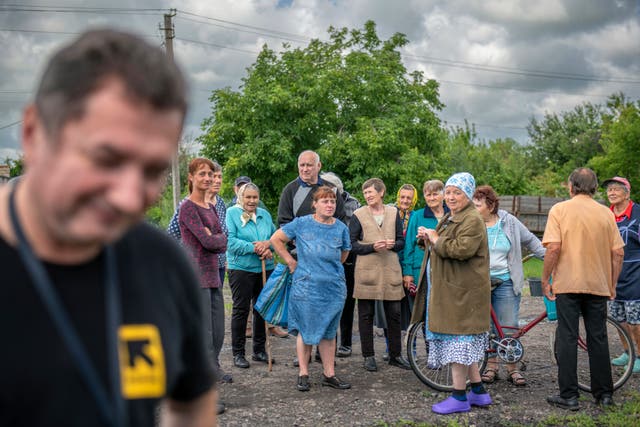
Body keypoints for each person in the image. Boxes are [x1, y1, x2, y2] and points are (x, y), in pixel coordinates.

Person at [0, 30, 217, 426]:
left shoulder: (163, 262)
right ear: (33, 133)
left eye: (152, 170)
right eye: (106, 159)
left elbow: (192, 401)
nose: (130, 198)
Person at [410, 172, 493, 415]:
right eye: (448, 192)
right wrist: (427, 238)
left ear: (468, 195)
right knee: (464, 346)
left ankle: (459, 396)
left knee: (459, 345)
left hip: (463, 293)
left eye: (457, 192)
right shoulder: (451, 216)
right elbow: (440, 242)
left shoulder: (472, 220)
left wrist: (435, 238)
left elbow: (462, 249)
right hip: (453, 291)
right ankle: (478, 391)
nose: (451, 197)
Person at [543, 168, 624, 410]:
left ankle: (569, 395)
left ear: (571, 186)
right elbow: (618, 252)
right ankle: (604, 394)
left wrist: (546, 278)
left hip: (567, 284)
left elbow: (553, 248)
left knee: (567, 337)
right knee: (598, 337)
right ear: (595, 187)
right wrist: (612, 283)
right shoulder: (605, 214)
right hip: (598, 284)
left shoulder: (559, 210)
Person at [271, 186, 352, 391]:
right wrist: (290, 261)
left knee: (329, 331)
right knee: (306, 331)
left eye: (333, 201)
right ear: (314, 204)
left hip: (333, 288)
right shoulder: (302, 223)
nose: (330, 205)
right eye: (325, 201)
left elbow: (344, 254)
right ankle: (303, 373)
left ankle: (329, 373)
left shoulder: (341, 227)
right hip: (306, 287)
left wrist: (328, 269)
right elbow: (276, 239)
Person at [277, 150, 346, 366]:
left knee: (328, 320)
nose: (305, 169)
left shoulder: (331, 190)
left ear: (318, 166)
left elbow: (342, 220)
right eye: (301, 165)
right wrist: (299, 250)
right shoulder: (291, 189)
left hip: (330, 267)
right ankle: (303, 363)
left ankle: (326, 364)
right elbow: (283, 222)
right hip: (302, 258)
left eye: (309, 165)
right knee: (306, 318)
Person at [473, 185, 546, 387]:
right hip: (479, 282)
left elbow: (531, 241)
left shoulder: (509, 222)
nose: (473, 208)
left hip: (505, 280)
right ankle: (491, 367)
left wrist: (551, 258)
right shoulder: (472, 223)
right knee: (486, 327)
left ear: (490, 206)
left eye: (477, 205)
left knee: (508, 325)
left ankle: (512, 368)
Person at [350, 178, 411, 372]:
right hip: (366, 271)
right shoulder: (358, 214)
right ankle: (368, 356)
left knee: (394, 314)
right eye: (365, 193)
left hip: (390, 269)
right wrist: (371, 247)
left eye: (371, 192)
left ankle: (395, 355)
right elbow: (351, 245)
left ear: (381, 192)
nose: (367, 195)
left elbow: (402, 242)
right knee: (365, 315)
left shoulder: (394, 213)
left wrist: (394, 244)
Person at [179, 158, 228, 392]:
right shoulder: (187, 207)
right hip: (196, 278)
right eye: (202, 174)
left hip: (213, 277)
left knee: (218, 335)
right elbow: (208, 240)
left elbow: (222, 239)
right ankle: (206, 392)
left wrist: (215, 238)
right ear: (191, 177)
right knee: (205, 339)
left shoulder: (210, 206)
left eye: (210, 174)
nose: (207, 178)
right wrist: (214, 238)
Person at [226, 182, 277, 368]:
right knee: (241, 309)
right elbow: (230, 242)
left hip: (265, 267)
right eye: (248, 197)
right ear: (241, 197)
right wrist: (257, 247)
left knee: (261, 308)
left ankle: (259, 350)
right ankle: (238, 353)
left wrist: (268, 245)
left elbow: (274, 237)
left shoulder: (265, 214)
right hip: (241, 269)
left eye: (255, 197)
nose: (252, 201)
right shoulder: (232, 213)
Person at [374, 183, 418, 360]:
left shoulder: (416, 216)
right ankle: (390, 347)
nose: (405, 200)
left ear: (414, 199)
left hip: (408, 269)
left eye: (409, 197)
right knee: (388, 310)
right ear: (398, 197)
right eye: (402, 197)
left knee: (409, 311)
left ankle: (411, 349)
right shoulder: (389, 214)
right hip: (388, 266)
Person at [321, 171, 361, 358]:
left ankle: (345, 343)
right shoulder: (320, 200)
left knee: (346, 301)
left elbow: (351, 229)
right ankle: (326, 344)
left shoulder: (352, 203)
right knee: (325, 301)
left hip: (348, 257)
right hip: (325, 258)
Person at [603, 177, 640, 373]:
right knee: (617, 317)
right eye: (609, 189)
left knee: (635, 319)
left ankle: (639, 356)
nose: (612, 192)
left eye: (617, 189)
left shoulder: (638, 213)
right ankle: (627, 352)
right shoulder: (605, 215)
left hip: (635, 272)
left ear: (627, 193)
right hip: (612, 273)